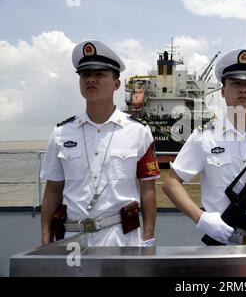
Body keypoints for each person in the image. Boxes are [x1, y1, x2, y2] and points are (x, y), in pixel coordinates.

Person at [162, 48, 246, 245]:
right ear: (223, 91)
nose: (243, 89)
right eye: (235, 84)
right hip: (222, 243)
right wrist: (201, 218)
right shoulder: (204, 136)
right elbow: (171, 183)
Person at [40, 40, 160, 247]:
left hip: (121, 237)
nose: (91, 80)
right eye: (85, 75)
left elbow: (148, 188)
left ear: (117, 84)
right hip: (72, 237)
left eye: (99, 75)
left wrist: (148, 237)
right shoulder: (61, 133)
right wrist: (45, 239)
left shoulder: (138, 131)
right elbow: (52, 190)